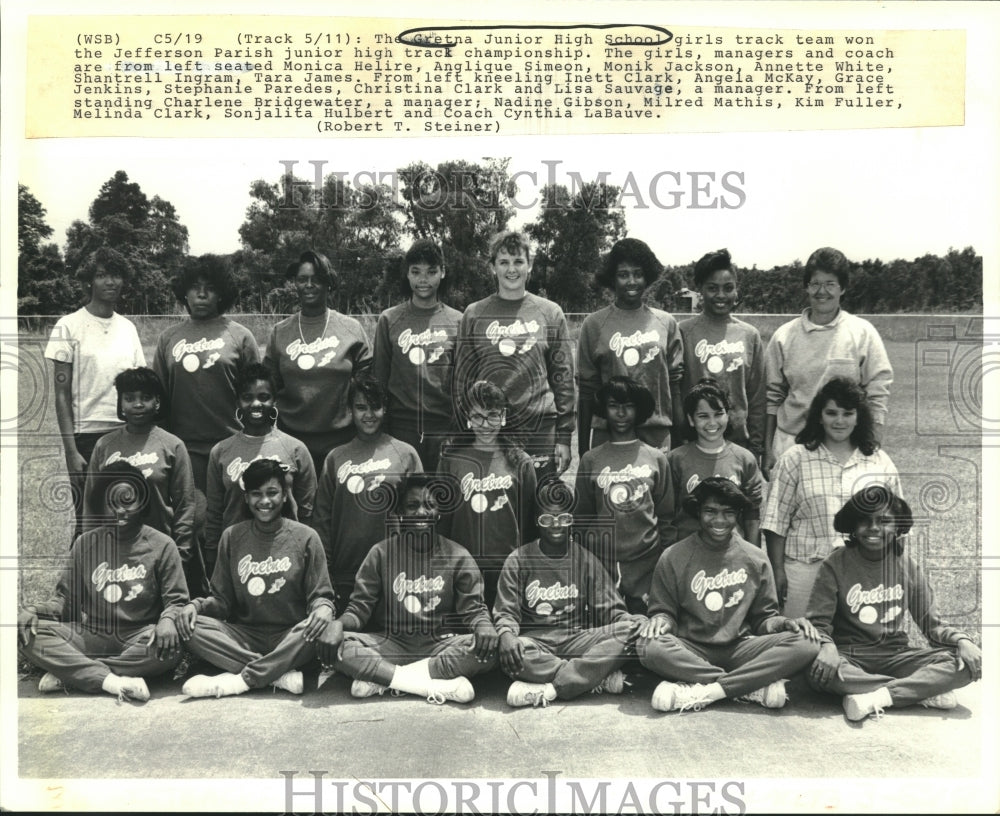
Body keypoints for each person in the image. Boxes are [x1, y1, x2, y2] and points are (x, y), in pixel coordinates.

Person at [637, 478, 820, 713]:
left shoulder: (755, 557)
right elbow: (664, 612)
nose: (720, 521)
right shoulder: (673, 555)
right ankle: (748, 687)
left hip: (741, 648)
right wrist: (661, 620)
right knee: (646, 645)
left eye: (728, 513)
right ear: (698, 512)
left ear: (738, 515)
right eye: (710, 512)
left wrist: (784, 623)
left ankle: (706, 690)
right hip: (691, 649)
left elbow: (764, 619)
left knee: (807, 642)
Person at [801, 485, 982, 722]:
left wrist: (963, 641)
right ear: (853, 527)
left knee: (964, 665)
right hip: (851, 655)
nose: (874, 528)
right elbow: (818, 623)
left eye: (884, 521)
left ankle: (877, 695)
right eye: (864, 521)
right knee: (817, 671)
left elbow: (932, 625)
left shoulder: (907, 565)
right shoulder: (835, 564)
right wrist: (827, 646)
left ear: (898, 527)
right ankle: (917, 692)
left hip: (895, 654)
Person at [17, 462, 188, 701]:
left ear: (142, 502)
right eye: (112, 503)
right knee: (27, 633)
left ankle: (75, 673)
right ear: (101, 505)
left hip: (139, 635)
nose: (120, 511)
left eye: (128, 501)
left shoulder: (162, 544)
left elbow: (177, 601)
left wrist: (168, 620)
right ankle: (111, 680)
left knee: (172, 647)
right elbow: (65, 601)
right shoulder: (85, 544)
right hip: (92, 633)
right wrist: (33, 611)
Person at [323, 473, 499, 705]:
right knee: (336, 645)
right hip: (392, 643)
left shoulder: (457, 555)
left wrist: (484, 625)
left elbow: (473, 611)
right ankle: (429, 686)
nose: (421, 513)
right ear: (399, 513)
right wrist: (337, 624)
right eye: (412, 506)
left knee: (492, 649)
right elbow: (359, 610)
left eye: (429, 505)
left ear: (439, 512)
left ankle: (383, 679)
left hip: (439, 645)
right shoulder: (381, 553)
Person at [177, 459, 336, 698]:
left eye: (272, 493)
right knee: (190, 627)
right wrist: (195, 606)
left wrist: (324, 608)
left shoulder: (306, 537)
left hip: (291, 635)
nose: (264, 501)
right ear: (246, 498)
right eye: (256, 494)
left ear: (284, 496)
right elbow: (221, 601)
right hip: (245, 637)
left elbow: (320, 596)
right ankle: (279, 673)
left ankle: (243, 679)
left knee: (318, 628)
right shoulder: (232, 537)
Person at [494, 484, 647, 708]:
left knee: (634, 630)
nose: (556, 526)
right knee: (512, 651)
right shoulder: (519, 559)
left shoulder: (585, 559)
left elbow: (611, 610)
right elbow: (506, 613)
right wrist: (506, 634)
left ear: (572, 520)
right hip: (536, 644)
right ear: (537, 520)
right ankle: (593, 676)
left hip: (577, 640)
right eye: (547, 519)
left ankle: (552, 687)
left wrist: (633, 622)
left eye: (563, 519)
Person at [761, 377, 902, 619]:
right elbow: (775, 522)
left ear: (859, 417)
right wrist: (778, 571)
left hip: (862, 570)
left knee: (855, 646)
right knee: (802, 643)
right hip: (806, 569)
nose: (839, 421)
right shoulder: (795, 458)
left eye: (848, 413)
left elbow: (897, 526)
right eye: (831, 412)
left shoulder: (879, 461)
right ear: (819, 415)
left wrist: (889, 571)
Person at [43, 247, 146, 544]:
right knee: (88, 520)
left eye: (116, 275)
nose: (110, 282)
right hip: (87, 437)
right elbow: (61, 394)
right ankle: (77, 588)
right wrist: (70, 449)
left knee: (129, 514)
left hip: (127, 433)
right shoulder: (68, 326)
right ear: (89, 281)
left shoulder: (128, 328)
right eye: (102, 275)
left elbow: (140, 385)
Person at [454, 230, 575, 479]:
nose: (512, 269)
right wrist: (466, 430)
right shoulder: (474, 313)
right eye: (504, 262)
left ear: (529, 266)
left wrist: (564, 436)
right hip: (491, 427)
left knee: (541, 504)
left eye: (519, 261)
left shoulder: (550, 313)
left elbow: (563, 379)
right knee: (499, 505)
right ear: (492, 267)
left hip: (540, 425)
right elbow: (462, 379)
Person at [762, 247, 892, 478]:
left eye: (830, 284)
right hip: (791, 442)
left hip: (845, 443)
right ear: (806, 286)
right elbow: (771, 397)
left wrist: (871, 442)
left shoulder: (863, 333)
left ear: (842, 288)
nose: (822, 291)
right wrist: (767, 450)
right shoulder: (783, 336)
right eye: (815, 284)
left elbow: (878, 392)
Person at [83, 367, 198, 594]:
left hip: (158, 547)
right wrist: (91, 548)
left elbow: (186, 503)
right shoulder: (104, 445)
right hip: (114, 547)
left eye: (145, 398)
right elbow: (91, 502)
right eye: (130, 398)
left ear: (157, 402)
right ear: (120, 403)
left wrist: (181, 551)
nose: (137, 404)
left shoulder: (172, 445)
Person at [313, 374, 422, 611]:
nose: (369, 415)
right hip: (345, 572)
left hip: (394, 570)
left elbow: (420, 517)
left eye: (376, 407)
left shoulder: (405, 454)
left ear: (386, 409)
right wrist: (326, 572)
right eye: (361, 407)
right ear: (350, 410)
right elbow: (322, 519)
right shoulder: (335, 457)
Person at [264, 250, 373, 474]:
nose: (309, 285)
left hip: (342, 441)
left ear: (328, 283)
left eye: (317, 279)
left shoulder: (351, 329)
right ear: (295, 284)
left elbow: (368, 384)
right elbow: (268, 386)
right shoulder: (280, 332)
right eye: (302, 280)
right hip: (291, 441)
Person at [204, 363, 316, 580]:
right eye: (247, 397)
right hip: (237, 554)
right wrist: (212, 560)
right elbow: (215, 514)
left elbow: (307, 512)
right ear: (238, 401)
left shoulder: (295, 449)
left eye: (264, 397)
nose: (256, 403)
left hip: (285, 555)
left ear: (275, 400)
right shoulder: (220, 452)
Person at [574, 377, 673, 613]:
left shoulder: (656, 458)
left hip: (646, 561)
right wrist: (587, 563)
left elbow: (667, 516)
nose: (621, 413)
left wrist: (662, 561)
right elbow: (581, 517)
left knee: (647, 628)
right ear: (604, 409)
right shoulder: (591, 459)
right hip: (602, 562)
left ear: (638, 410)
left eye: (628, 405)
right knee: (607, 632)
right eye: (613, 406)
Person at [577, 238, 685, 456]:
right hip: (608, 433)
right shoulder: (594, 324)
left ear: (648, 277)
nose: (632, 281)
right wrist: (582, 450)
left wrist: (680, 440)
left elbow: (675, 386)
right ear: (612, 278)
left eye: (638, 273)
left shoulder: (666, 323)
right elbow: (587, 392)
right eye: (623, 274)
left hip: (657, 434)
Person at [438, 380, 538, 609]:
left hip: (508, 568)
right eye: (477, 416)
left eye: (492, 415)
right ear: (467, 417)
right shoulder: (451, 461)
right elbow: (443, 522)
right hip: (464, 568)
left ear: (503, 416)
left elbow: (529, 523)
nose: (485, 424)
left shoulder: (520, 461)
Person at [372, 239, 461, 473]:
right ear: (407, 275)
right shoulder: (389, 320)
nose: (423, 280)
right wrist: (383, 430)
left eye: (431, 272)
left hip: (443, 429)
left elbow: (462, 384)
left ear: (443, 273)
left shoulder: (459, 321)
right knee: (404, 501)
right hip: (401, 429)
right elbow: (379, 380)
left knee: (443, 499)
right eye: (416, 272)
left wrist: (457, 431)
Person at [678, 249, 765, 460]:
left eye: (728, 288)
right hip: (694, 443)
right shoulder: (682, 332)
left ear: (736, 291)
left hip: (738, 444)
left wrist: (756, 445)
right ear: (700, 290)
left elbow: (757, 396)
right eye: (712, 288)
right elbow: (676, 392)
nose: (720, 296)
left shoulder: (749, 335)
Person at [666, 379, 764, 548]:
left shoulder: (744, 458)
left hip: (730, 554)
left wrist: (753, 557)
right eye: (703, 416)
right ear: (691, 419)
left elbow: (752, 516)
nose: (712, 422)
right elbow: (666, 515)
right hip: (687, 552)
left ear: (728, 415)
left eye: (718, 414)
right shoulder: (675, 459)